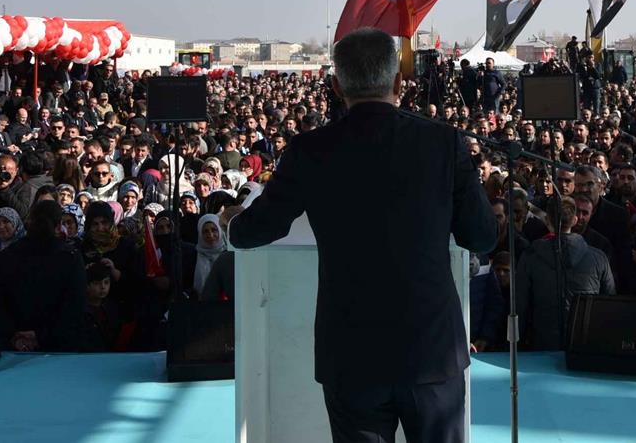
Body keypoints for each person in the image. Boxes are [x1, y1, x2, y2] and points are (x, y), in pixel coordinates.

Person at [228, 27, 495, 443]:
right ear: (398, 83)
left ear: (336, 86)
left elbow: (255, 231)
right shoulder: (443, 143)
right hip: (431, 349)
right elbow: (480, 236)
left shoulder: (310, 150)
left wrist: (231, 220)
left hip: (350, 354)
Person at [0, 199, 86, 351]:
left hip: (15, 350)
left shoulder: (7, 256)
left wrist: (16, 335)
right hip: (56, 352)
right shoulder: (70, 257)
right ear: (59, 226)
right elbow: (75, 308)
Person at [515, 196, 614, 350]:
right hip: (583, 342)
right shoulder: (598, 258)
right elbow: (608, 301)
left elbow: (520, 304)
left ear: (547, 220)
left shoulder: (530, 256)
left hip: (542, 344)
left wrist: (518, 344)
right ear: (574, 220)